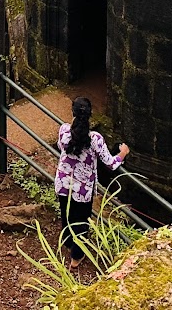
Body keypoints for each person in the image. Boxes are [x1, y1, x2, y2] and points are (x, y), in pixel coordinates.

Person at [54, 97, 128, 269]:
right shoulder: (95, 139)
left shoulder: (64, 131)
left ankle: (68, 242)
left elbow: (61, 146)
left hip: (64, 183)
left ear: (72, 112)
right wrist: (122, 153)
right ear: (90, 115)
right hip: (82, 189)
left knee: (66, 214)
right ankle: (76, 257)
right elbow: (110, 163)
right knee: (80, 220)